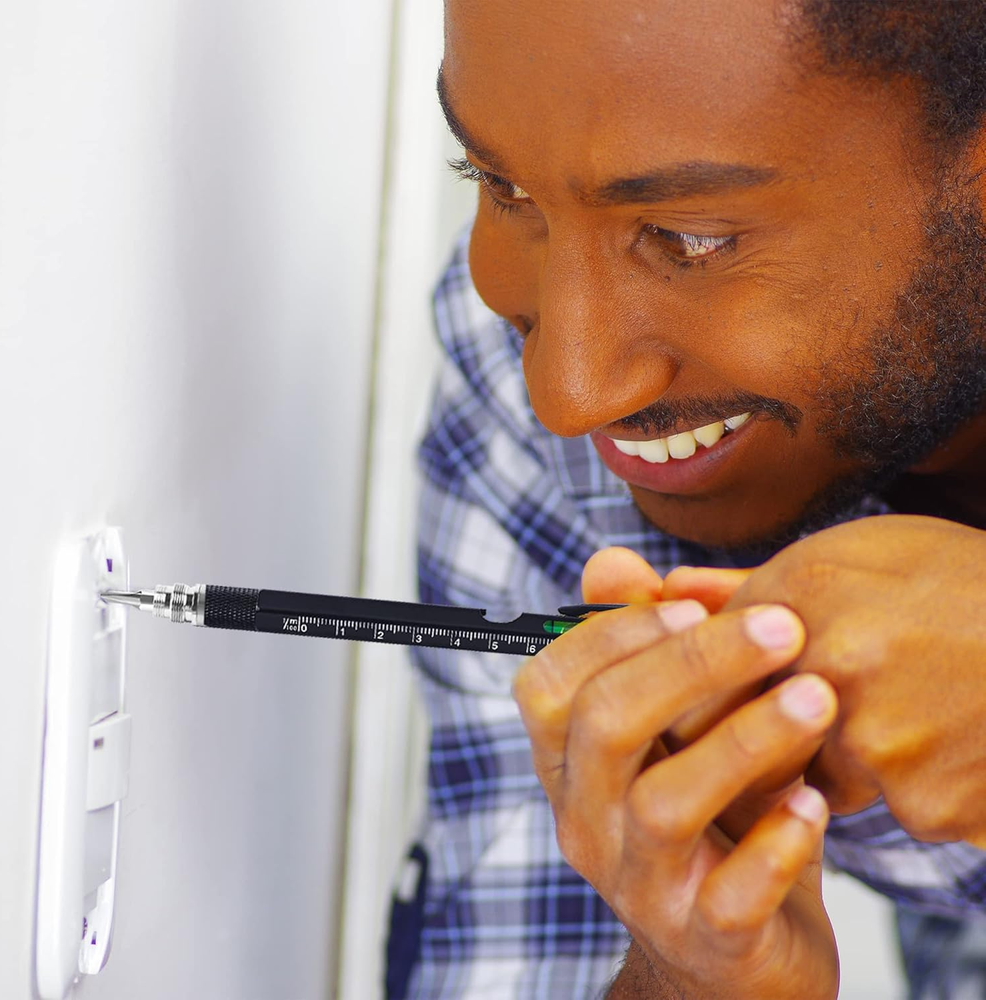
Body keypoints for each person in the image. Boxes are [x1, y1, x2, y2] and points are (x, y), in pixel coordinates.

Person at [387, 1, 986, 997]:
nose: (567, 393)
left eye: (691, 238)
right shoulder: (513, 362)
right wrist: (686, 977)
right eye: (500, 184)